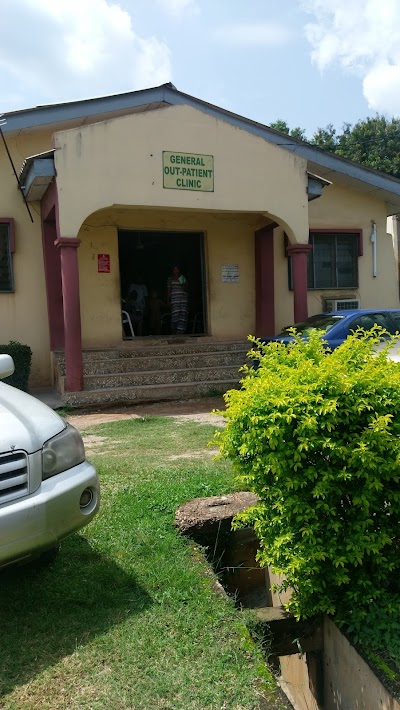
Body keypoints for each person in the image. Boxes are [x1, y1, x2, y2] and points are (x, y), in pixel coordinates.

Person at [167, 265, 188, 335]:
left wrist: (181, 281)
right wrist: (168, 300)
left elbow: (186, 288)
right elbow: (169, 291)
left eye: (177, 269)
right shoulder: (170, 279)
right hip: (174, 300)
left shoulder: (182, 277)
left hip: (183, 300)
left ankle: (180, 333)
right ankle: (174, 333)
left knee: (182, 315)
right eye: (174, 269)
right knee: (175, 315)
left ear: (179, 270)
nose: (176, 271)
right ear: (172, 271)